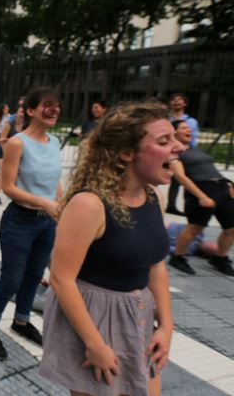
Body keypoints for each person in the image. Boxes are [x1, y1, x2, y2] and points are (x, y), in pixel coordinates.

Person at [39, 101, 177, 396]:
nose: (178, 147)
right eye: (164, 141)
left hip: (138, 315)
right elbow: (61, 279)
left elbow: (156, 265)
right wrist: (95, 344)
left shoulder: (153, 198)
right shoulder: (88, 205)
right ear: (127, 152)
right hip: (95, 320)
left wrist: (166, 325)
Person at [0, 88, 62, 360]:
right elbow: (8, 188)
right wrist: (45, 203)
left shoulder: (55, 142)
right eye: (47, 105)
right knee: (12, 278)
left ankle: (22, 321)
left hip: (46, 223)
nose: (54, 110)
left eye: (56, 106)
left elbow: (55, 182)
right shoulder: (17, 142)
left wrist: (58, 207)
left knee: (34, 275)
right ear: (30, 110)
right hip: (20, 220)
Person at [167, 119, 234, 276]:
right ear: (174, 132)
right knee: (195, 228)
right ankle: (177, 257)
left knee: (231, 228)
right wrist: (201, 196)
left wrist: (229, 184)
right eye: (183, 128)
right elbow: (181, 177)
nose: (188, 130)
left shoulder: (195, 149)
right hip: (201, 189)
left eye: (189, 128)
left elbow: (210, 170)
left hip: (221, 188)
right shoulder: (174, 152)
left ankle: (219, 258)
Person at [167, 93, 199, 215]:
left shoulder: (191, 121)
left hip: (184, 152)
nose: (176, 102)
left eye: (179, 100)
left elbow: (193, 138)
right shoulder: (166, 119)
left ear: (185, 103)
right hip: (168, 151)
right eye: (174, 100)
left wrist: (190, 151)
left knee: (182, 180)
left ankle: (177, 206)